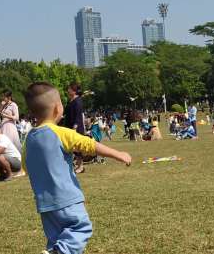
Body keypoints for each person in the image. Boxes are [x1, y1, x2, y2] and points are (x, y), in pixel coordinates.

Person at [22, 82, 132, 254]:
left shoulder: (28, 139)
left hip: (45, 204)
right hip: (67, 198)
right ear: (58, 108)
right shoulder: (60, 132)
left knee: (56, 239)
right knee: (80, 229)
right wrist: (119, 154)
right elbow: (89, 144)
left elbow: (27, 167)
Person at [64, 83, 85, 174]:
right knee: (69, 146)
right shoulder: (70, 101)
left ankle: (81, 166)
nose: (68, 90)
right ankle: (73, 165)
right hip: (68, 126)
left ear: (74, 91)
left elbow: (78, 115)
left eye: (69, 89)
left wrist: (75, 127)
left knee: (77, 147)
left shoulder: (78, 101)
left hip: (76, 127)